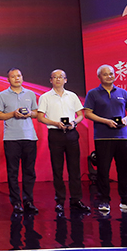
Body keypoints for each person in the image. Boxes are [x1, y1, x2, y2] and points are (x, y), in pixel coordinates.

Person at [83, 65, 127, 213]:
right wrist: (105, 121)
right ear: (99, 77)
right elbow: (88, 113)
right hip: (102, 137)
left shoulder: (122, 92)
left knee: (125, 169)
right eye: (105, 74)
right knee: (103, 170)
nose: (109, 76)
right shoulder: (93, 93)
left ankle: (126, 199)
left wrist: (126, 118)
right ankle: (104, 200)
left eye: (111, 74)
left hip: (122, 137)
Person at [37, 69, 90, 214]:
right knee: (57, 169)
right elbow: (40, 117)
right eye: (55, 77)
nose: (58, 79)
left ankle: (76, 200)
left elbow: (80, 115)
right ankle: (60, 200)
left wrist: (74, 122)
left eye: (61, 77)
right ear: (50, 80)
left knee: (74, 169)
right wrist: (55, 123)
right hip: (55, 134)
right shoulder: (45, 97)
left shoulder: (72, 96)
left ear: (65, 80)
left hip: (71, 133)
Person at [0, 68, 39, 214]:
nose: (16, 78)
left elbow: (36, 113)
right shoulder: (2, 95)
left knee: (29, 171)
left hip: (29, 137)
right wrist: (13, 114)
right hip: (11, 138)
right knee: (12, 172)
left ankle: (28, 201)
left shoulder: (30, 94)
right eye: (13, 76)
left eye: (19, 76)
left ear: (22, 77)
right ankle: (16, 202)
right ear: (8, 79)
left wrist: (29, 113)